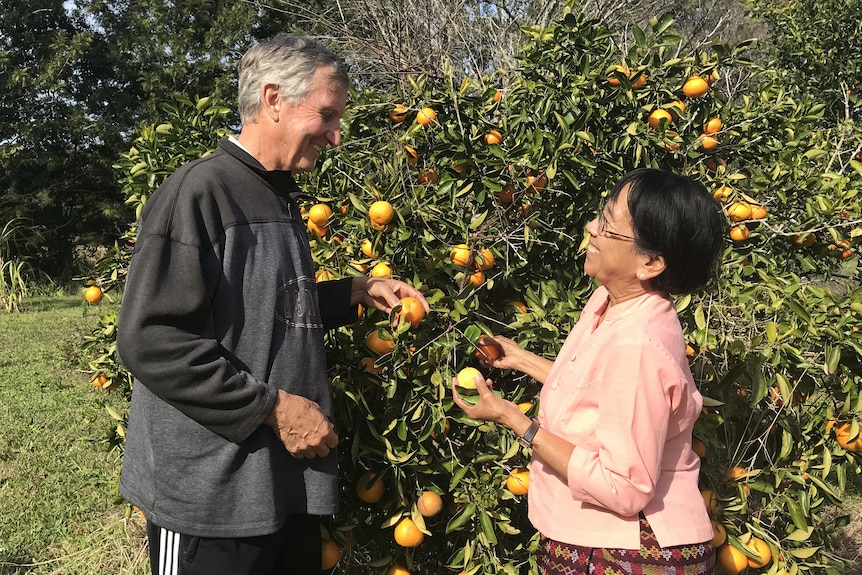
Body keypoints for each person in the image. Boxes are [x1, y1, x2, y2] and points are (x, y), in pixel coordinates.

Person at [116, 34, 429, 575]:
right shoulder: (201, 192)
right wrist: (273, 408)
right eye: (327, 115)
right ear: (274, 99)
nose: (335, 136)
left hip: (280, 486)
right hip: (210, 499)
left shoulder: (275, 192)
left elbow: (261, 306)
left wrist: (351, 293)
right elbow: (150, 339)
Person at [453, 168, 724, 575]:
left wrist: (512, 418)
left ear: (650, 262)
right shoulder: (610, 302)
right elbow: (597, 392)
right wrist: (522, 359)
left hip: (631, 552)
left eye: (608, 226)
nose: (591, 228)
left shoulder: (638, 345)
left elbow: (625, 487)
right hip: (601, 542)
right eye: (601, 215)